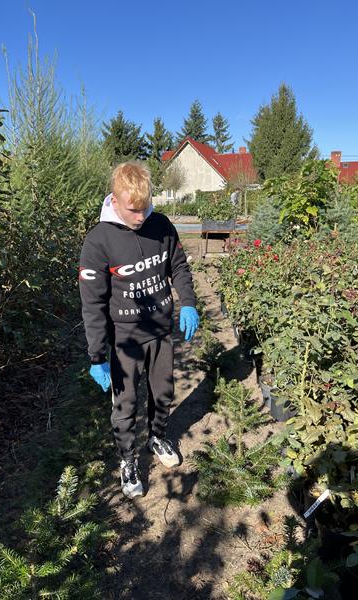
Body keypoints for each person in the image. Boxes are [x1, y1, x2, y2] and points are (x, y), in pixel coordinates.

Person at [78, 162, 199, 498]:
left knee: (162, 393)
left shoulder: (161, 225)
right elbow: (92, 304)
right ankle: (128, 458)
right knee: (126, 403)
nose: (141, 216)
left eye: (145, 207)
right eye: (133, 210)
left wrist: (188, 302)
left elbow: (178, 266)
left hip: (160, 331)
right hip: (125, 340)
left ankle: (157, 437)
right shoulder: (98, 241)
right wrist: (96, 356)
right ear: (115, 201)